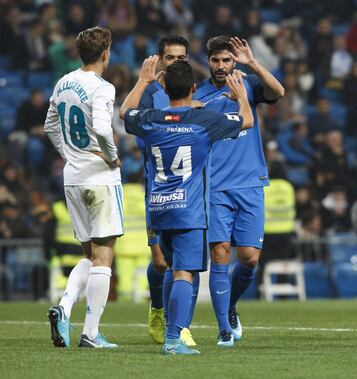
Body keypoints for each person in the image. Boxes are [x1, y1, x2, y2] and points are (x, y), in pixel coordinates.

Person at [120, 57, 254, 354]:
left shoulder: (151, 118)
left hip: (157, 208)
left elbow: (125, 111)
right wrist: (242, 96)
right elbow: (247, 120)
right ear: (194, 88)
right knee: (183, 273)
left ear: (165, 87)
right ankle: (172, 339)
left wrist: (143, 80)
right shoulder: (203, 121)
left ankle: (170, 329)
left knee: (169, 268)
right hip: (188, 211)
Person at [194, 35, 285, 346]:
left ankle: (230, 306)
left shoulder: (247, 85)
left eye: (227, 60)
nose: (221, 66)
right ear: (207, 61)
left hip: (249, 183)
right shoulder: (198, 95)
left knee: (248, 259)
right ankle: (223, 330)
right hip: (216, 186)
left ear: (234, 61)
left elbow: (278, 91)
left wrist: (254, 63)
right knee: (220, 254)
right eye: (216, 60)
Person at [44, 26, 122, 349]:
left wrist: (68, 153)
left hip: (72, 177)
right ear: (106, 53)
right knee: (104, 257)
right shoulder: (103, 87)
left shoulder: (63, 82)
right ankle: (90, 333)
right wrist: (113, 157)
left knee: (89, 254)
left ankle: (64, 307)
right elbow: (104, 127)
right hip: (100, 178)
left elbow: (49, 125)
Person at [137, 35, 198, 347]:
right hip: (158, 189)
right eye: (171, 57)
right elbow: (140, 135)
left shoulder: (189, 93)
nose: (176, 62)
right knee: (161, 263)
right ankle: (157, 307)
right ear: (160, 60)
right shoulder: (150, 94)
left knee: (186, 261)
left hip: (189, 190)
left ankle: (182, 325)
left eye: (181, 57)